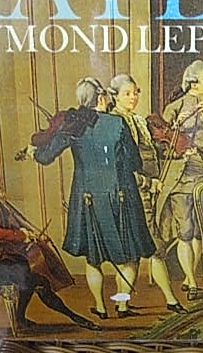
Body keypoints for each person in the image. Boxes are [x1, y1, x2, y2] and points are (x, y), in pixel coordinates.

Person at [29, 77, 156, 319]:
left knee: (93, 258)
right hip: (120, 196)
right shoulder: (118, 123)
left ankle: (100, 306)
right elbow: (134, 162)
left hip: (87, 198)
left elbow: (46, 157)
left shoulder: (73, 126)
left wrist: (34, 151)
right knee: (129, 256)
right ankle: (122, 305)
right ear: (100, 98)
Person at [0, 151, 100, 332]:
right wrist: (20, 236)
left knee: (34, 268)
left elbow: (9, 220)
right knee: (29, 273)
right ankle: (67, 317)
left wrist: (32, 234)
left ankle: (41, 317)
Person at [109, 74, 187, 314]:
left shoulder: (137, 120)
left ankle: (122, 304)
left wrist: (175, 152)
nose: (133, 97)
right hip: (132, 194)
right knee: (152, 248)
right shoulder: (114, 124)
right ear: (115, 96)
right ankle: (169, 300)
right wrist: (149, 183)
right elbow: (120, 168)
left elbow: (150, 152)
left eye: (135, 92)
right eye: (127, 94)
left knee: (138, 251)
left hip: (147, 192)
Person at [156, 60, 203, 301]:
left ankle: (191, 276)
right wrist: (178, 141)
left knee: (202, 232)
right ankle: (191, 281)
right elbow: (161, 146)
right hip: (183, 179)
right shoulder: (175, 107)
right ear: (193, 83)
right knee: (186, 232)